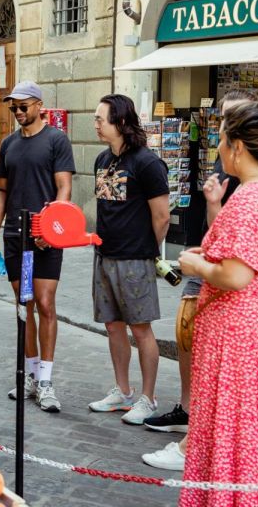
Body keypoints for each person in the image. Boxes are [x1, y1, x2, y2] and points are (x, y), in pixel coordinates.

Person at [176, 102, 258, 507]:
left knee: (235, 428)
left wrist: (196, 262)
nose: (218, 148)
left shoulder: (250, 198)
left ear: (238, 147)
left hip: (240, 337)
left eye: (220, 140)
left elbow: (237, 276)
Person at [142, 89, 257, 471]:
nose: (220, 134)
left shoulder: (257, 193)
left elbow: (238, 274)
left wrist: (199, 266)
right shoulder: (244, 180)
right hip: (233, 293)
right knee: (193, 345)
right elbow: (223, 232)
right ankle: (197, 426)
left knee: (219, 370)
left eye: (227, 126)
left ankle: (198, 444)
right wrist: (212, 206)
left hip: (239, 306)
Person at [0, 81, 75, 413]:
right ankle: (31, 375)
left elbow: (64, 187)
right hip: (16, 237)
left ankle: (47, 381)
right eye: (14, 108)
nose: (18, 113)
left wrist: (52, 228)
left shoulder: (56, 140)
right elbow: (0, 192)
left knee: (46, 302)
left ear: (39, 105)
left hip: (46, 236)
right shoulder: (8, 144)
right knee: (24, 305)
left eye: (23, 107)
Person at [87, 94, 169, 425]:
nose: (95, 124)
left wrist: (147, 251)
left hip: (135, 260)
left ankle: (148, 398)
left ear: (120, 122)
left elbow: (161, 216)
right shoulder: (102, 160)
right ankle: (123, 391)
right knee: (113, 326)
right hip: (104, 255)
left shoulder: (147, 163)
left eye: (99, 119)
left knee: (142, 329)